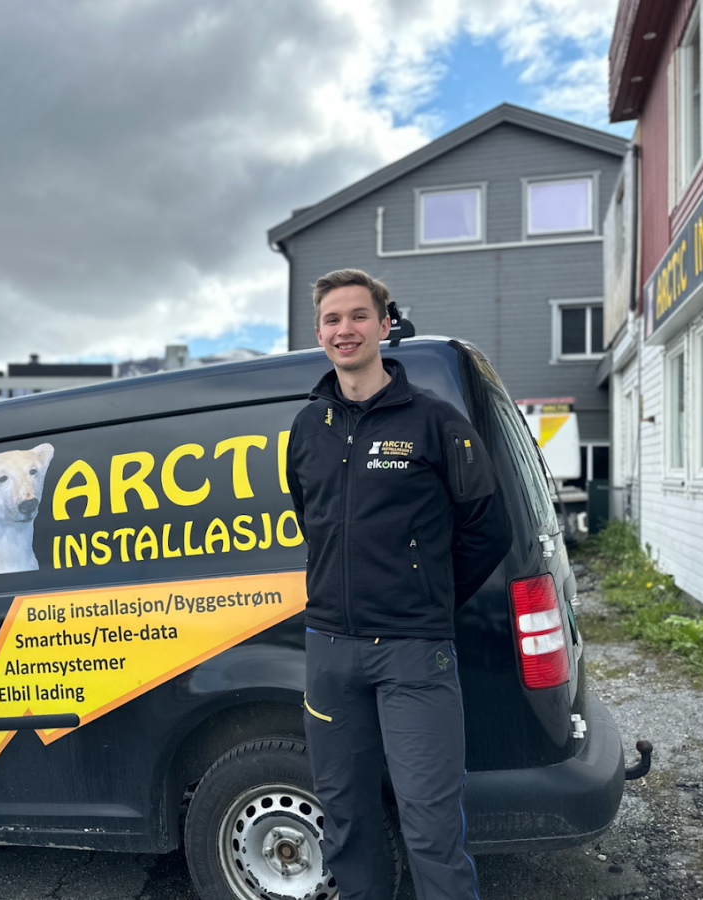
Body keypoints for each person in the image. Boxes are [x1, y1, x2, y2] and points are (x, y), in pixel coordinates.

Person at [286, 270, 511, 900]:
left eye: (359, 316)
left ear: (385, 325)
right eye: (332, 319)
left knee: (431, 827)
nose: (345, 329)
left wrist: (428, 597)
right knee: (346, 818)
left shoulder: (434, 421)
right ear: (319, 333)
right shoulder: (306, 428)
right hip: (330, 652)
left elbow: (487, 528)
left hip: (414, 653)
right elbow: (312, 519)